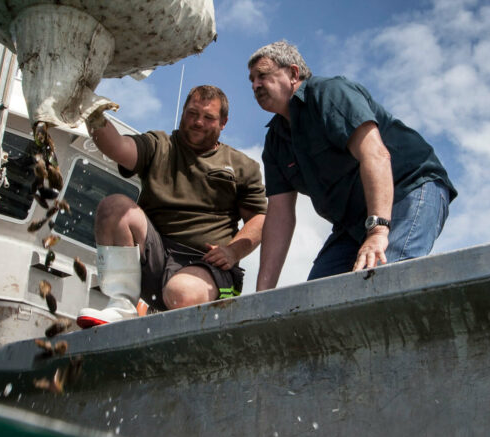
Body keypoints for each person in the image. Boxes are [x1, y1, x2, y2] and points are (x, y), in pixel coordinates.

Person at [247, 41, 456, 290]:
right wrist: (262, 294)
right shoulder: (275, 142)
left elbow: (375, 154)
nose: (255, 85)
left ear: (293, 73)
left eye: (263, 75)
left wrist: (378, 232)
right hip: (353, 222)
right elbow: (279, 215)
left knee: (383, 284)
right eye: (251, 79)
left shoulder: (330, 93)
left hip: (408, 189)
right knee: (314, 301)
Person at [77, 85, 267, 327]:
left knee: (180, 294)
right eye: (192, 113)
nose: (198, 122)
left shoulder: (243, 166)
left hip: (208, 265)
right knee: (113, 207)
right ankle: (121, 303)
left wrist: (233, 252)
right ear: (183, 112)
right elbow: (118, 147)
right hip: (154, 257)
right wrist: (90, 110)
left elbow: (259, 217)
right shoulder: (159, 145)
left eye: (208, 117)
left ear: (223, 122)